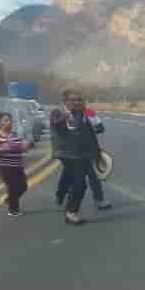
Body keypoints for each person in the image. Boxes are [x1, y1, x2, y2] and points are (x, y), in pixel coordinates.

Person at [50, 89, 97, 225]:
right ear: (65, 102)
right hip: (66, 153)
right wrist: (66, 115)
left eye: (79, 99)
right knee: (80, 183)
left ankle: (61, 196)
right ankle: (71, 212)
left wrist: (97, 152)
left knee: (68, 176)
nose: (77, 102)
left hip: (79, 153)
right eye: (73, 100)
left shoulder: (81, 114)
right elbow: (56, 123)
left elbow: (89, 134)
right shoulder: (58, 112)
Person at [0, 112, 34, 217]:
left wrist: (26, 146)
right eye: (5, 120)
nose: (9, 122)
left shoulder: (14, 134)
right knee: (13, 187)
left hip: (17, 165)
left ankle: (10, 199)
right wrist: (3, 148)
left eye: (9, 120)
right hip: (4, 166)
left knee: (23, 186)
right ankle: (13, 210)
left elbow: (21, 148)